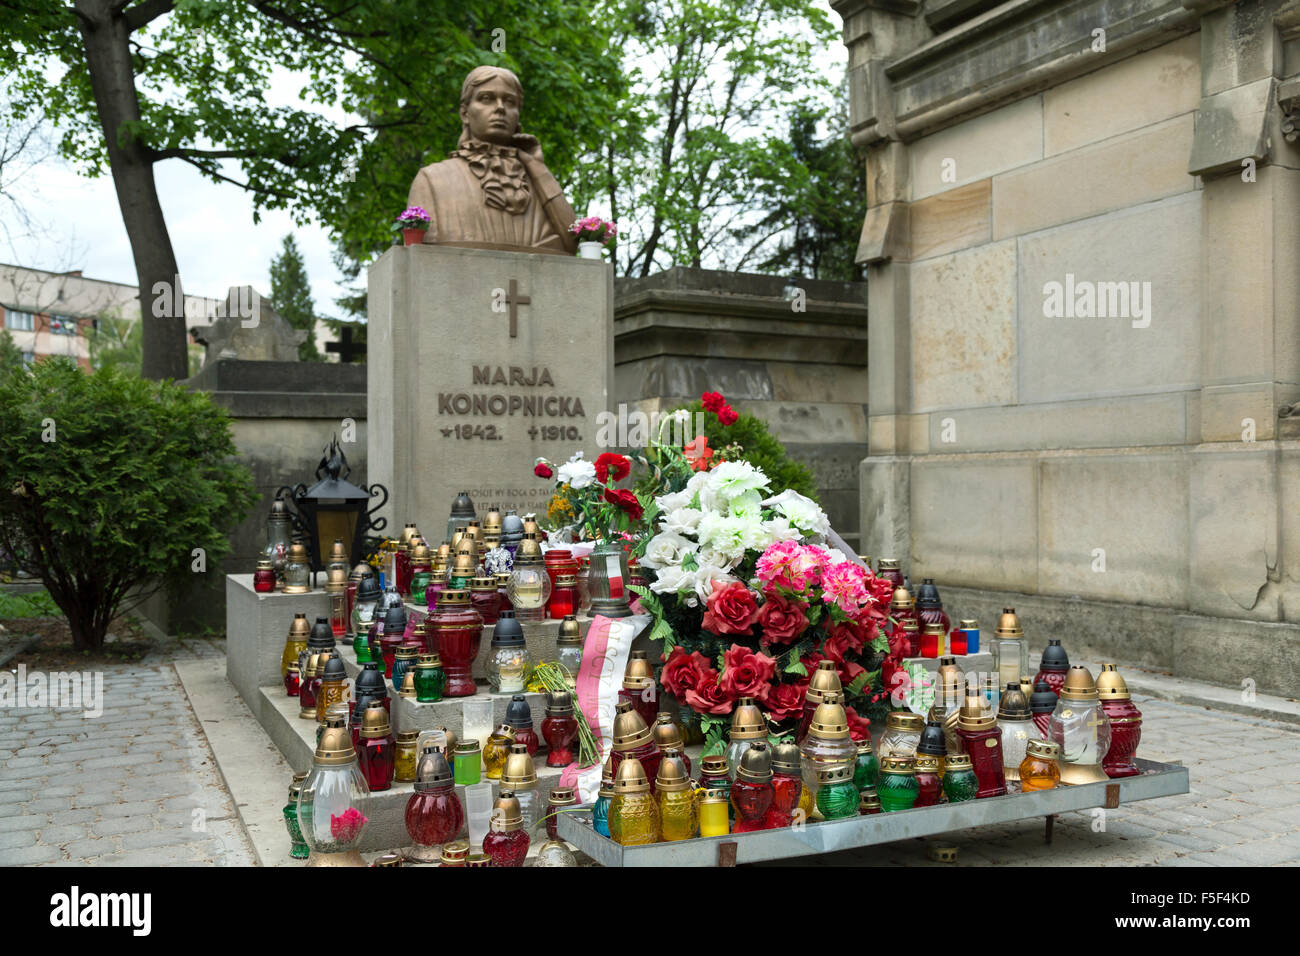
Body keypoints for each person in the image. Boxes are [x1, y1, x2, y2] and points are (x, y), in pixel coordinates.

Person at [407, 66, 578, 255]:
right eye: (486, 98)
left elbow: (573, 244)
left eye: (510, 101)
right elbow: (421, 257)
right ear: (465, 113)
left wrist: (538, 169)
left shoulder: (537, 182)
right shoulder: (432, 179)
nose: (500, 108)